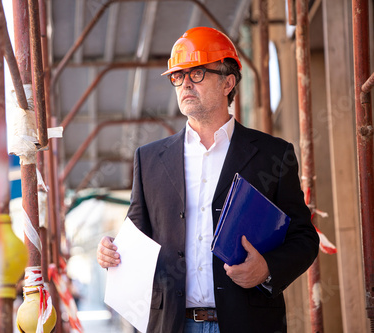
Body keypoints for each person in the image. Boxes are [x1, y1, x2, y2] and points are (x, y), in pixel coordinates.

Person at [97, 27, 319, 333]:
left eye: (197, 73)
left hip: (248, 323)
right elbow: (135, 238)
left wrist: (267, 269)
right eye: (178, 76)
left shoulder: (273, 155)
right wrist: (110, 250)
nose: (185, 83)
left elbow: (304, 239)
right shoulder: (148, 160)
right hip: (173, 324)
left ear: (228, 82)